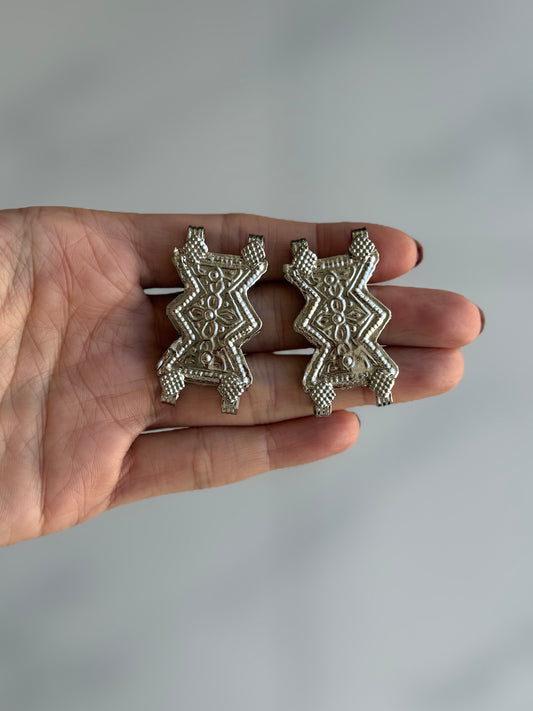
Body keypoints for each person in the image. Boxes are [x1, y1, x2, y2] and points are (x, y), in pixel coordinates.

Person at [0, 207, 484, 546]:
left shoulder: (317, 298)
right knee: (195, 363)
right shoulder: (218, 290)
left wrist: (303, 267)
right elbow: (234, 294)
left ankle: (344, 384)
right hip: (207, 339)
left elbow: (282, 297)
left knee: (324, 365)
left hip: (265, 338)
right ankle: (286, 387)